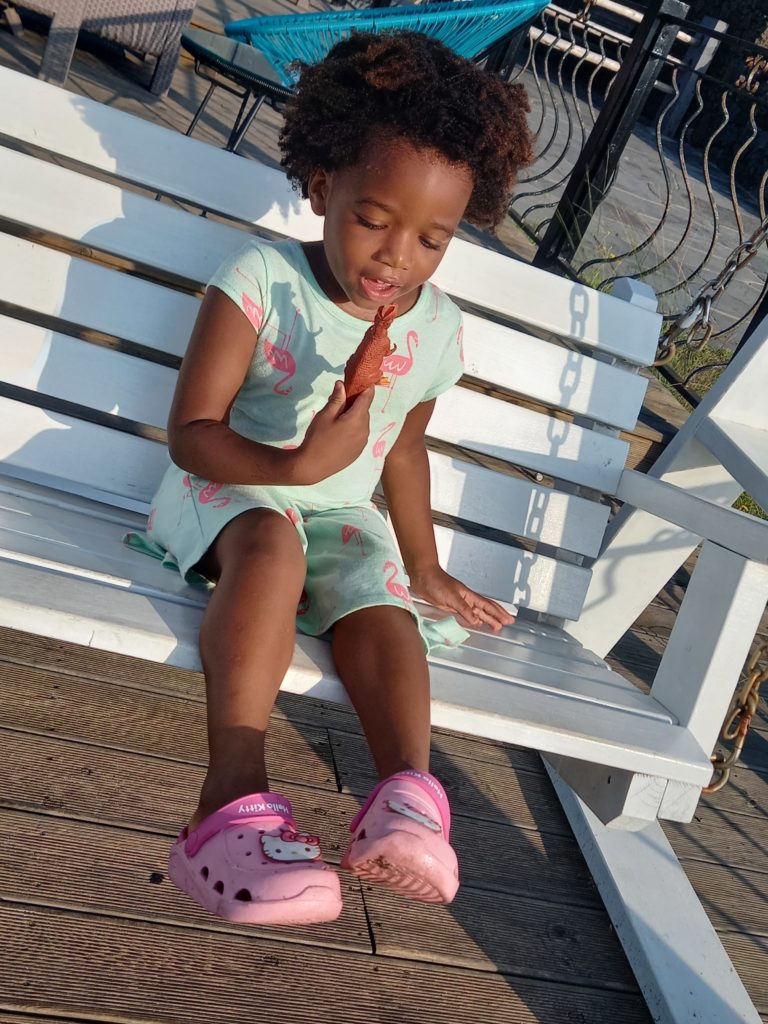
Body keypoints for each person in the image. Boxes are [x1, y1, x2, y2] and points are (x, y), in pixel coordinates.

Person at [125, 30, 533, 927]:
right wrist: (292, 465)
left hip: (339, 510)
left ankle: (408, 801)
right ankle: (225, 804)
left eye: (431, 239)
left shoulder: (436, 328)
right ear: (322, 189)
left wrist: (423, 570)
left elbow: (404, 448)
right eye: (372, 219)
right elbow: (191, 435)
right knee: (273, 538)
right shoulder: (261, 279)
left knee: (383, 601)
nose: (396, 259)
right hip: (230, 493)